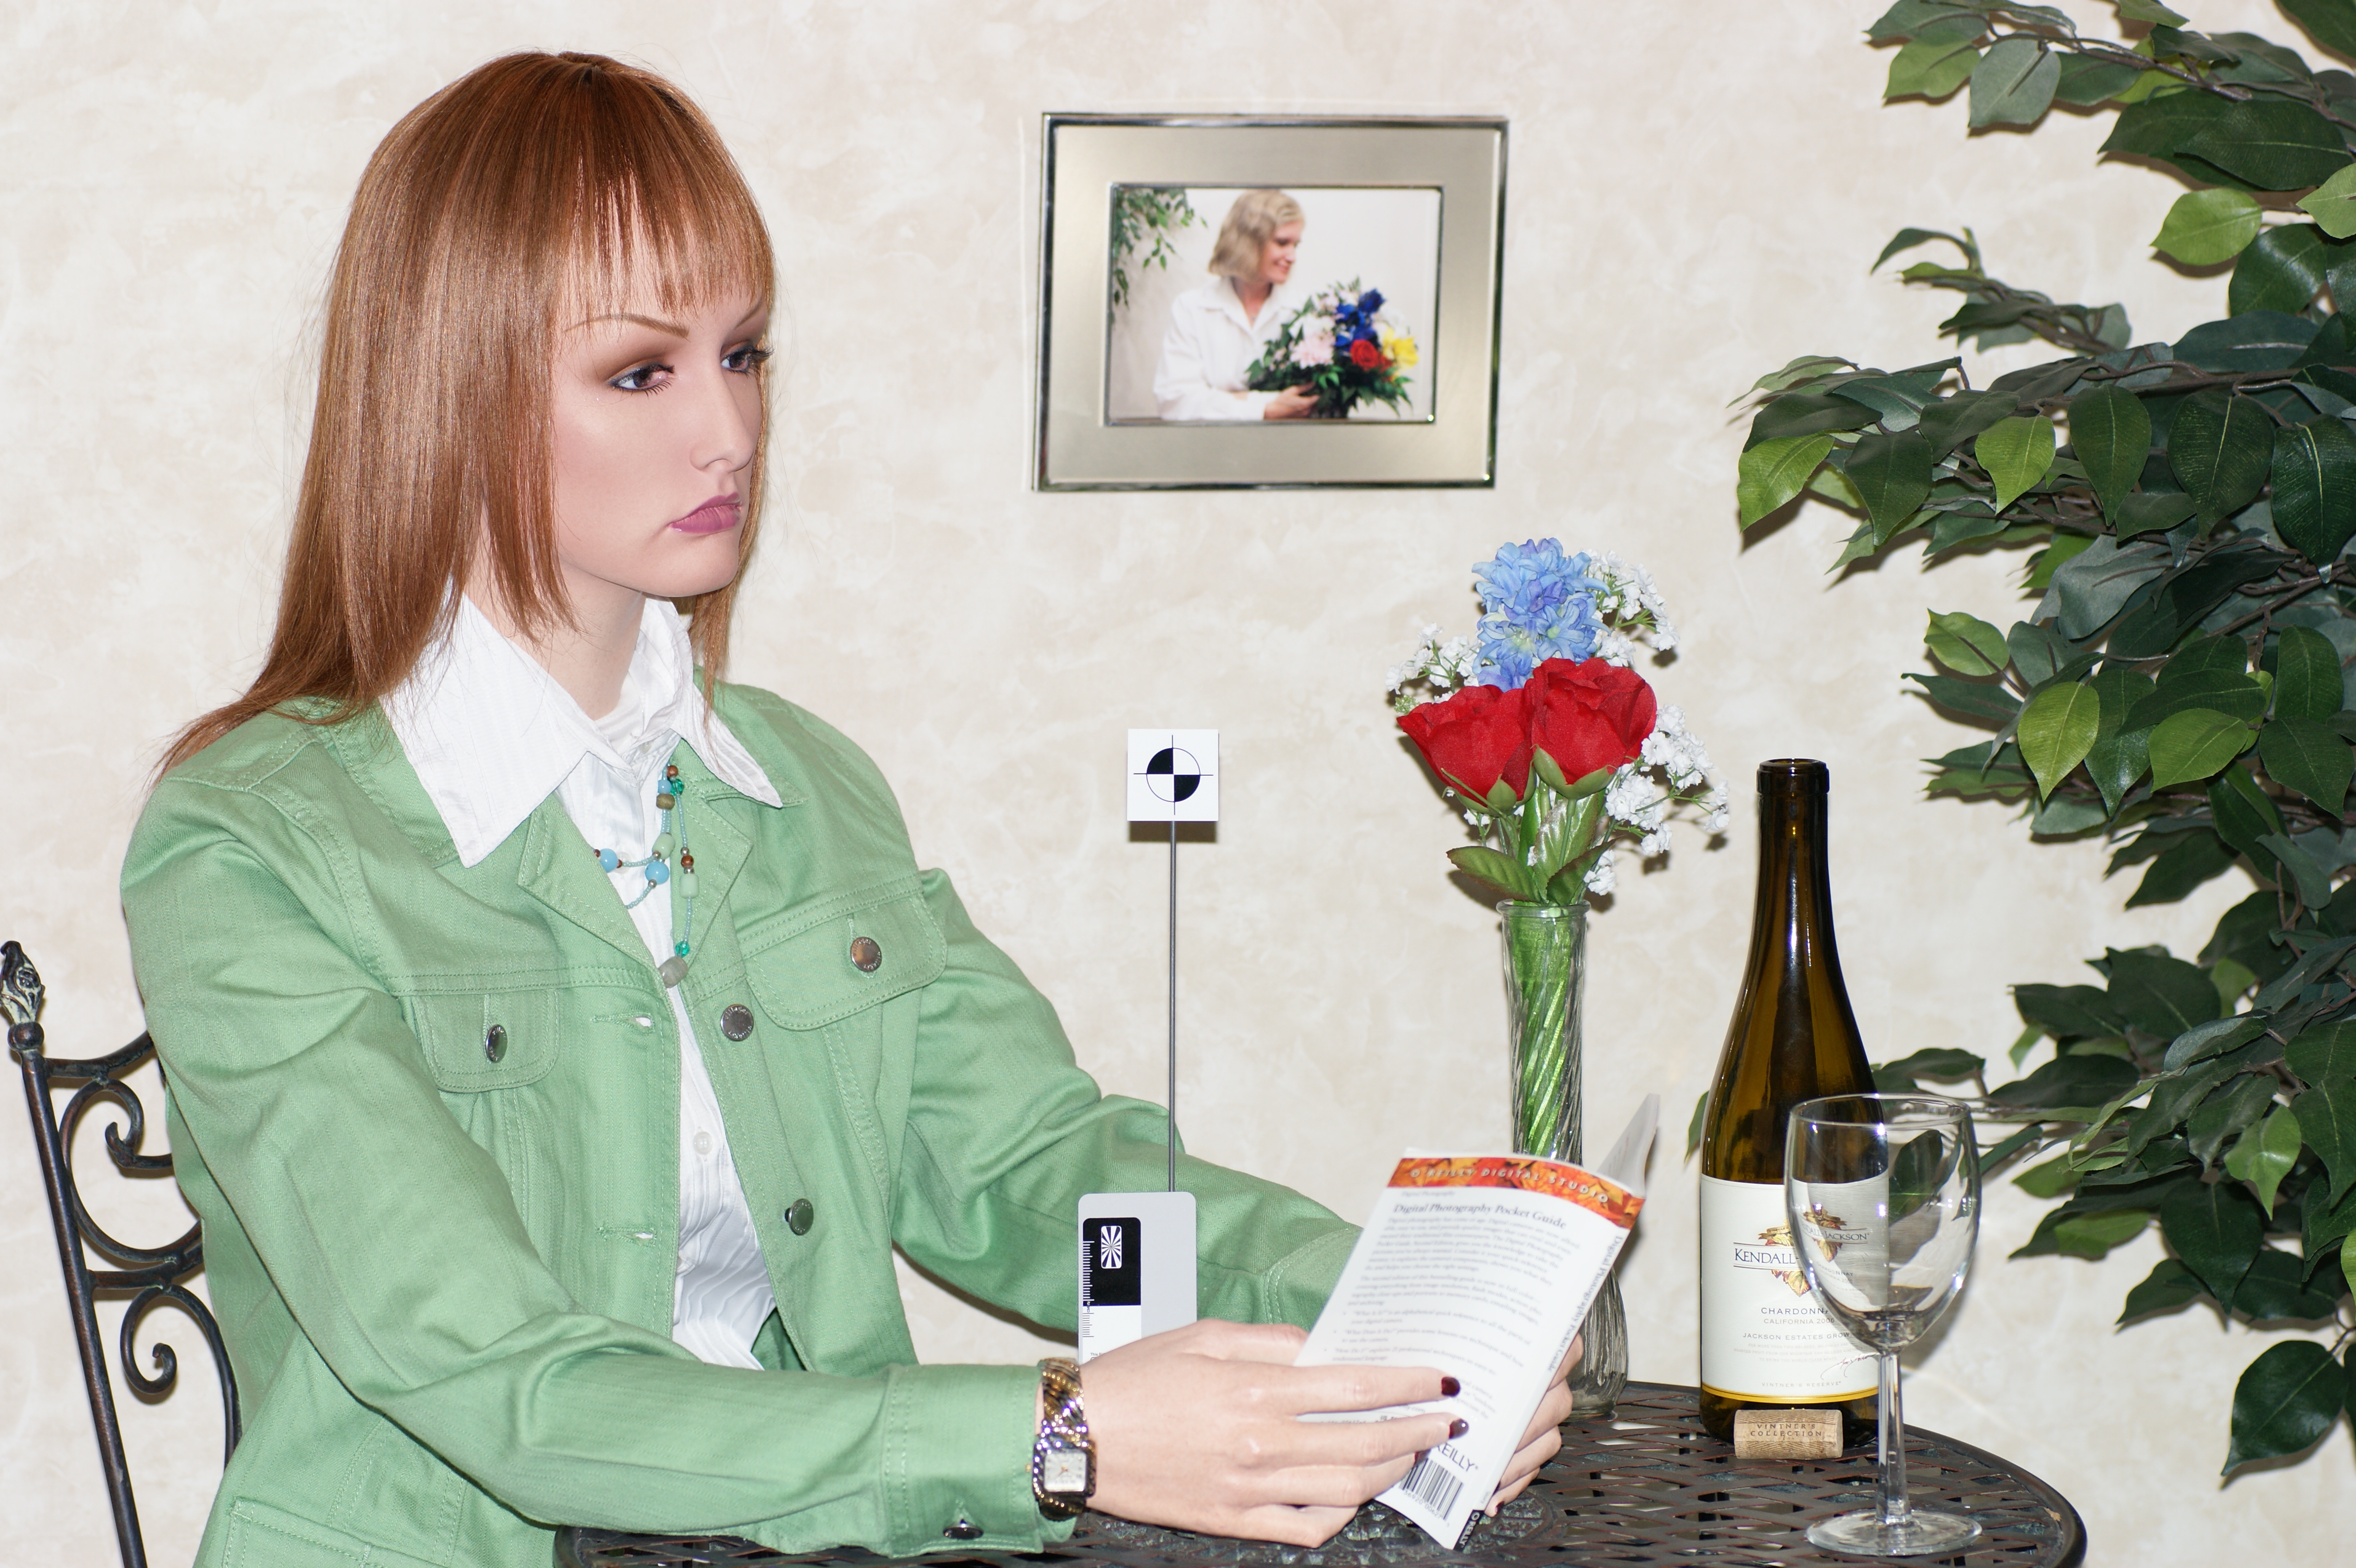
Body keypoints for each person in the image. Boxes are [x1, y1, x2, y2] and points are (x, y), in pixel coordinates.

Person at [120, 54, 1574, 1568]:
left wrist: (1392, 1313)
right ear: (450, 390)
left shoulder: (801, 785)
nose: (729, 431)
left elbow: (1034, 1168)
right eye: (641, 371)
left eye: (743, 353)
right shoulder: (250, 846)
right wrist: (1059, 1431)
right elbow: (508, 1386)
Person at [1151, 189, 1318, 421]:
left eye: (1295, 245)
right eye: (1282, 243)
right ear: (1248, 242)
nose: (1292, 257)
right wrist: (1265, 409)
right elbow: (1175, 403)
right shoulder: (1192, 308)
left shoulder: (1305, 310)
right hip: (1211, 443)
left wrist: (1228, 400)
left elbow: (1312, 400)